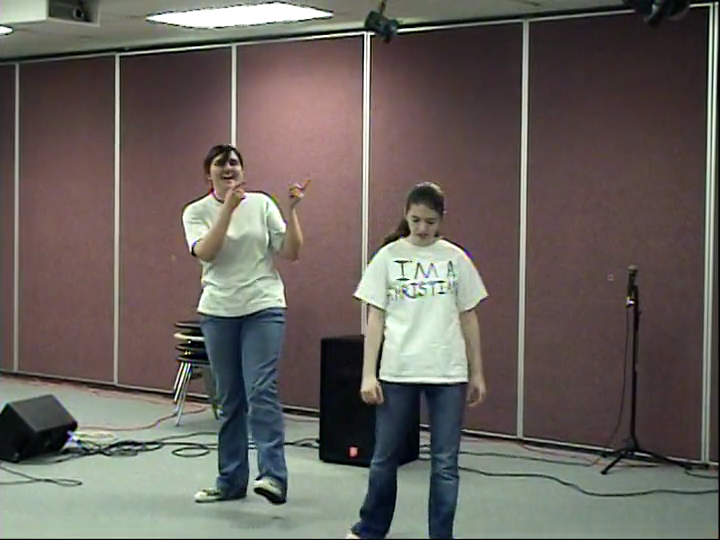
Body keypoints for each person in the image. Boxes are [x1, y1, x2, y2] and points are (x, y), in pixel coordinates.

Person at [346, 181, 488, 539]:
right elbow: (375, 319)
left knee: (445, 464)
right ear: (406, 216)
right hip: (398, 370)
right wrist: (368, 374)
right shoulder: (388, 257)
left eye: (429, 221)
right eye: (415, 220)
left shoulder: (455, 259)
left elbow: (469, 317)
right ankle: (371, 528)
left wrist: (477, 372)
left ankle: (441, 535)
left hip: (448, 372)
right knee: (384, 457)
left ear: (441, 219)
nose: (422, 228)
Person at [181, 144, 309, 505]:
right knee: (229, 399)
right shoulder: (196, 211)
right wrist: (227, 208)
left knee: (261, 389)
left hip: (263, 306)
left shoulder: (262, 204)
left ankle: (273, 477)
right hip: (218, 311)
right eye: (220, 164)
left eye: (234, 163)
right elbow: (207, 252)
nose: (229, 169)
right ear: (208, 175)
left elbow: (291, 251)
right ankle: (231, 481)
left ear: (243, 171)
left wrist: (292, 211)